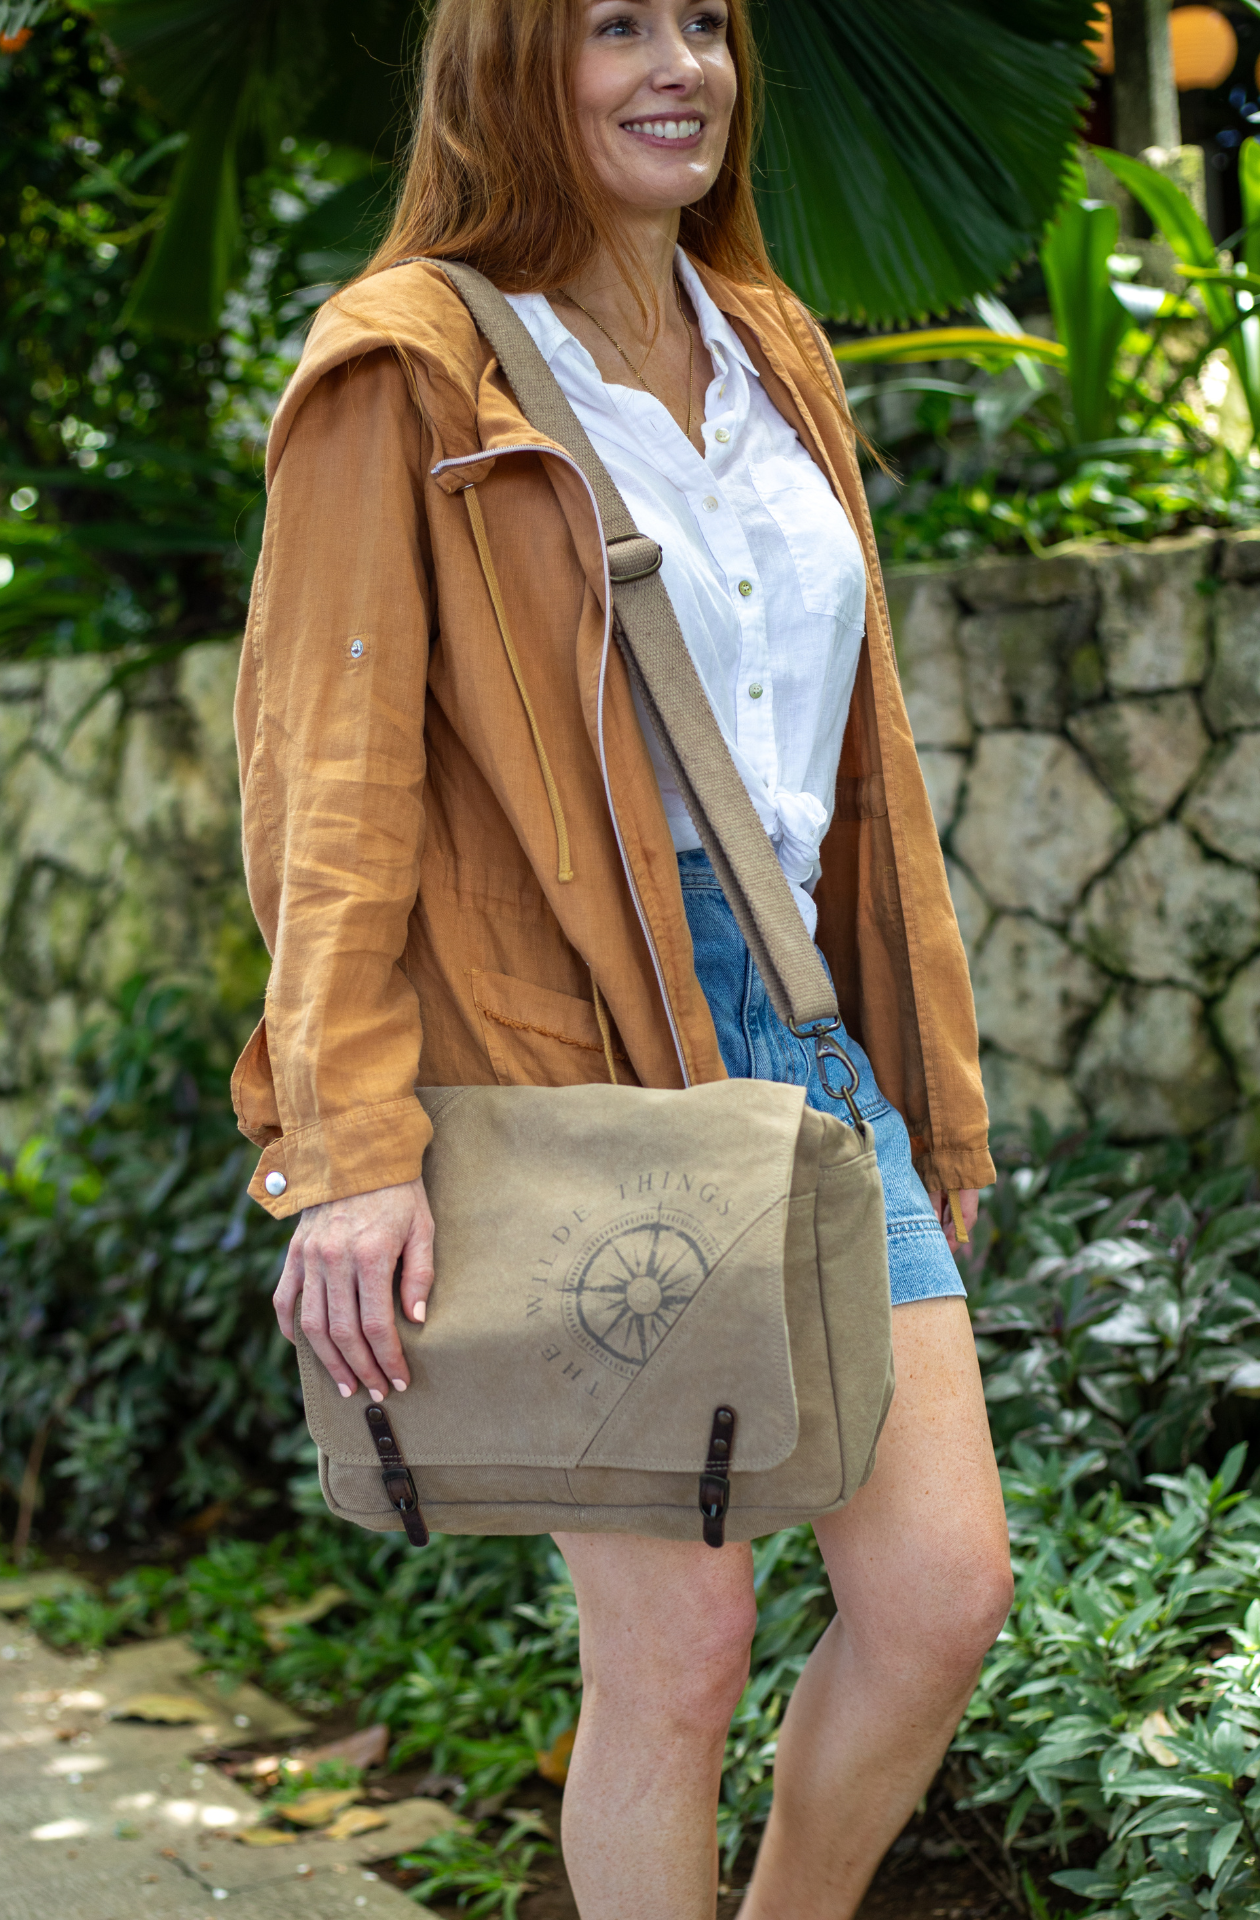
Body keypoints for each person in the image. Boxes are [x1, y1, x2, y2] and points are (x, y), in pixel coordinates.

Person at [232, 1, 1013, 1913]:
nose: (684, 66)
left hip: (801, 1027)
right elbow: (329, 783)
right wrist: (349, 1146)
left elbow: (857, 762)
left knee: (940, 1599)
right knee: (676, 1653)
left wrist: (925, 1079)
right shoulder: (404, 366)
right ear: (512, 66)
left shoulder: (771, 347)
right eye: (616, 26)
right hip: (570, 1040)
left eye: (706, 23)